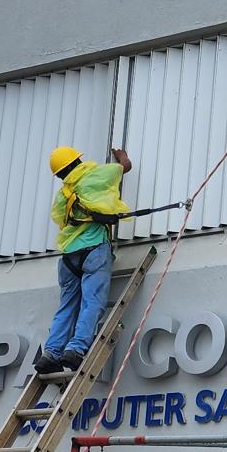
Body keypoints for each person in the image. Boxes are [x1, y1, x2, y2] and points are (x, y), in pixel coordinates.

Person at [35, 144, 133, 374]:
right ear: (77, 161)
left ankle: (51, 353)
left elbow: (60, 220)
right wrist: (121, 155)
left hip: (68, 256)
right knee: (93, 303)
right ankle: (76, 349)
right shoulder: (96, 176)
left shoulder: (63, 195)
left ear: (60, 174)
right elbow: (124, 167)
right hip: (94, 250)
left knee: (67, 305)